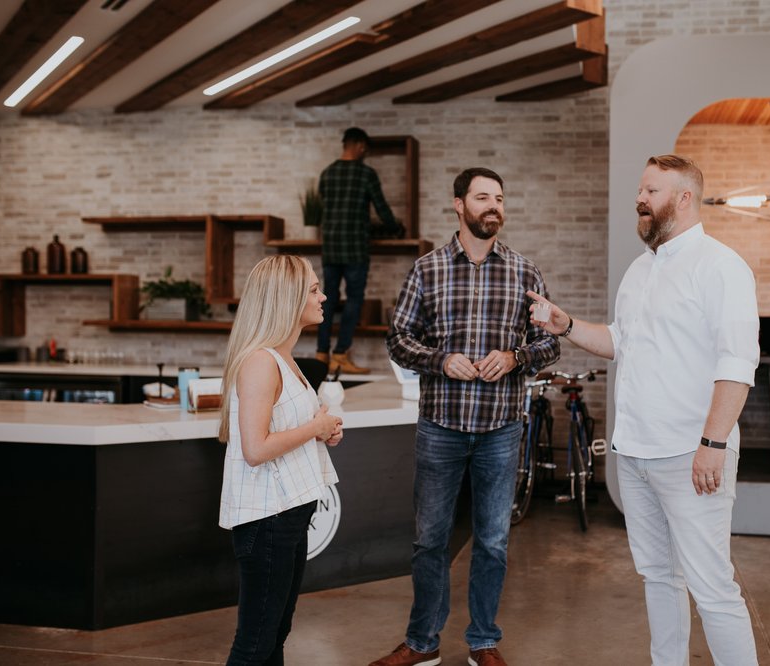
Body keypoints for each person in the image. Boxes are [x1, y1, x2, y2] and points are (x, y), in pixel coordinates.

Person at [528, 155, 760, 665]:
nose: (640, 199)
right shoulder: (639, 269)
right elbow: (620, 341)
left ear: (683, 199)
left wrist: (713, 444)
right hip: (634, 453)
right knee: (659, 577)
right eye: (641, 189)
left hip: (689, 455)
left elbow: (737, 363)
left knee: (713, 587)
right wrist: (566, 325)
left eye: (651, 191)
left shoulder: (722, 267)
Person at [373, 167, 560, 666]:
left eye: (499, 197)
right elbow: (398, 339)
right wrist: (440, 359)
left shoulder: (525, 271)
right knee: (429, 539)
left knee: (493, 541)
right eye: (482, 197)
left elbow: (550, 342)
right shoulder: (427, 270)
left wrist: (516, 357)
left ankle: (483, 642)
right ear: (459, 205)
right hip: (441, 426)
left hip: (501, 428)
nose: (493, 205)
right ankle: (423, 643)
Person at [218, 255, 344, 665]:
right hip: (267, 519)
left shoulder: (282, 357)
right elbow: (255, 449)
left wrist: (322, 430)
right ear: (286, 298)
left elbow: (286, 429)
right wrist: (315, 428)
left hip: (287, 514)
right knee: (256, 642)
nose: (323, 296)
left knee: (275, 632)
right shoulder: (260, 362)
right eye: (313, 289)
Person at [316, 126, 404, 376]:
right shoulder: (366, 174)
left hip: (331, 246)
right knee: (354, 300)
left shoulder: (327, 173)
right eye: (364, 148)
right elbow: (381, 208)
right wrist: (396, 228)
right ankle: (341, 355)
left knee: (327, 300)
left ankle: (321, 355)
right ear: (360, 146)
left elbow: (326, 207)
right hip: (355, 246)